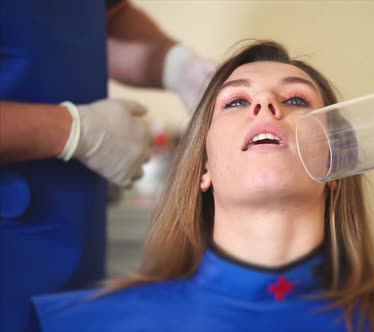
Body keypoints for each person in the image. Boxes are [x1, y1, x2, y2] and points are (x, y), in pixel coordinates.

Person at [30, 40, 374, 332]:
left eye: (295, 99)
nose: (267, 104)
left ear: (338, 162)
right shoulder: (82, 324)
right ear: (203, 167)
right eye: (235, 101)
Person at [0, 1, 214, 331]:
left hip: (71, 233)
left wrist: (177, 66)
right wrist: (71, 129)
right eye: (240, 101)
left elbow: (97, 19)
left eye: (295, 99)